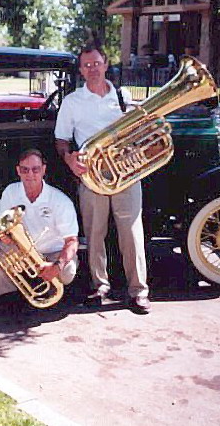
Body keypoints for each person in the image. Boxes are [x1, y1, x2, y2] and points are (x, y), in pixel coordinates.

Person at [54, 43, 150, 313]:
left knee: (132, 233)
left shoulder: (122, 96)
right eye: (86, 65)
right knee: (95, 233)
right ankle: (100, 286)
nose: (92, 69)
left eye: (96, 63)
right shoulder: (73, 101)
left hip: (125, 174)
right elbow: (61, 139)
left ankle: (138, 291)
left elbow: (136, 132)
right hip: (92, 175)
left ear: (106, 64)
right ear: (81, 70)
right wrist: (69, 158)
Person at [0, 148, 79, 302]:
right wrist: (3, 235)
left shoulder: (60, 200)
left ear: (43, 170)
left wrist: (57, 265)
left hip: (52, 254)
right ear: (18, 171)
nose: (30, 175)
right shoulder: (11, 191)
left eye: (35, 169)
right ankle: (8, 298)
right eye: (25, 170)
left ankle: (52, 292)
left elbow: (72, 241)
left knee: (67, 271)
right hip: (23, 252)